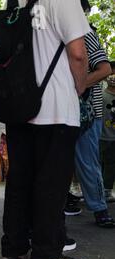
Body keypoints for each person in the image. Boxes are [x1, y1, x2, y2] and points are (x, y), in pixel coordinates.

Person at [0, 0, 91, 259]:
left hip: (20, 108)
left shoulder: (15, 1)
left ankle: (13, 250)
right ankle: (46, 257)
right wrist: (79, 87)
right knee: (51, 185)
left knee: (20, 182)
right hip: (55, 109)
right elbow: (78, 53)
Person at [63, 0, 114, 228]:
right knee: (62, 161)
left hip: (87, 111)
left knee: (87, 161)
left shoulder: (86, 35)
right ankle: (69, 200)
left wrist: (79, 85)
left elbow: (105, 69)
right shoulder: (57, 33)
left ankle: (99, 209)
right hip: (63, 110)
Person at [100, 62, 115, 203]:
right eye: (111, 74)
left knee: (110, 164)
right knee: (106, 164)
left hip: (111, 136)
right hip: (104, 136)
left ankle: (106, 190)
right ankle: (105, 191)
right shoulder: (102, 96)